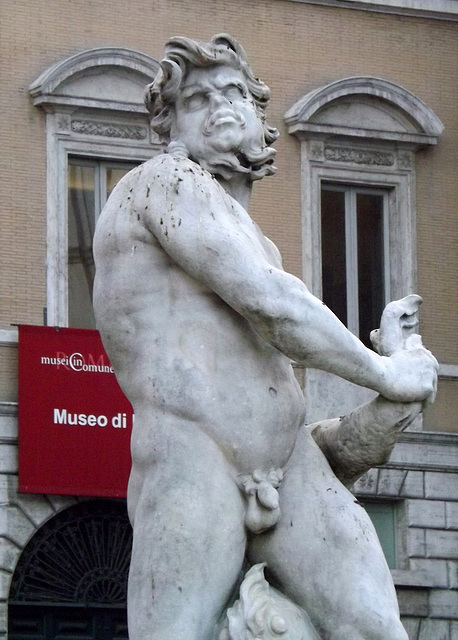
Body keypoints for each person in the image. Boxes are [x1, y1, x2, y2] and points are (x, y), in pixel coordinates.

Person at [93, 34, 437, 640]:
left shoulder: (263, 241)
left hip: (290, 466)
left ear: (259, 117)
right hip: (193, 458)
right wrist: (384, 373)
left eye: (233, 93)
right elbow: (271, 303)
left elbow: (293, 419)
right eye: (197, 98)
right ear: (170, 125)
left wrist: (394, 402)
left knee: (378, 629)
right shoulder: (161, 184)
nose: (219, 103)